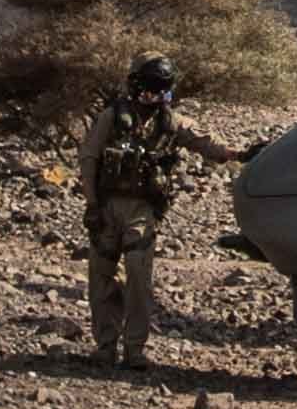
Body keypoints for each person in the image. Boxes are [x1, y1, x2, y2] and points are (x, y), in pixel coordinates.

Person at [75, 54, 244, 368]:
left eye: (160, 90)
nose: (154, 96)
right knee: (101, 279)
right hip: (108, 207)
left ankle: (134, 349)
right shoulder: (112, 117)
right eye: (151, 88)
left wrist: (238, 154)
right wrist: (92, 204)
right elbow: (90, 159)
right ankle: (105, 346)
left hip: (142, 210)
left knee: (139, 279)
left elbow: (204, 142)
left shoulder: (170, 122)